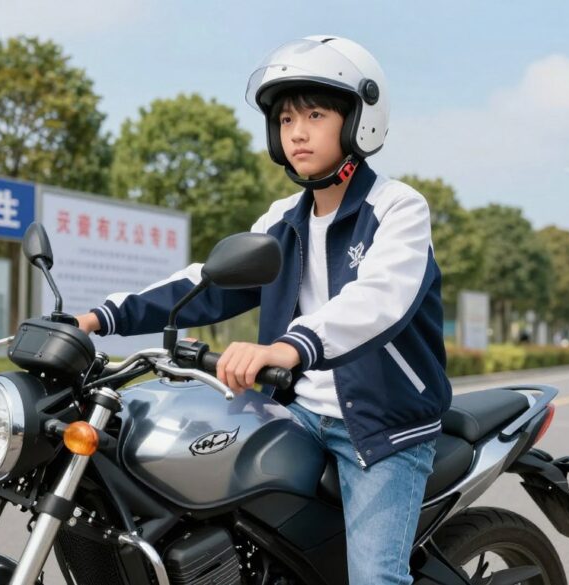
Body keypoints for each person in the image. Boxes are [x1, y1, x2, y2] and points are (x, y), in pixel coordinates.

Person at [76, 36, 451, 584]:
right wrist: (100, 318)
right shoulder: (281, 218)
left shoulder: (397, 208)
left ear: (358, 121)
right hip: (292, 410)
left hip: (381, 423)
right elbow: (207, 282)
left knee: (374, 578)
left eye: (315, 115)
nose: (296, 132)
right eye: (285, 119)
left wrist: (287, 347)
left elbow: (378, 299)